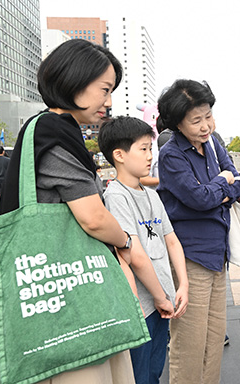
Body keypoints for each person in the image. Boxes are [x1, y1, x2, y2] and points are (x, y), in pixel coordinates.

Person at [0, 38, 137, 383]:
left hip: (61, 291)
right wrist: (125, 242)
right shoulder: (55, 131)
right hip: (71, 302)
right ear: (74, 80)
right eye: (104, 90)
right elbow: (92, 217)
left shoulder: (43, 128)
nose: (108, 102)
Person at [155, 79, 240, 383]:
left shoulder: (214, 144)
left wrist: (220, 186)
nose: (206, 125)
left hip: (217, 252)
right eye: (197, 120)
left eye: (208, 116)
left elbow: (238, 182)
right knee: (189, 343)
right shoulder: (171, 154)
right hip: (190, 256)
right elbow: (199, 198)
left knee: (214, 336)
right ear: (178, 122)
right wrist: (223, 184)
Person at [99, 116, 191, 384]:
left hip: (163, 299)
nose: (151, 156)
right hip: (143, 305)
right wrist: (161, 297)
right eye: (143, 149)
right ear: (119, 155)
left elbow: (171, 240)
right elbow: (133, 255)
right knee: (139, 375)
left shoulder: (151, 193)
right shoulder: (115, 196)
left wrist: (182, 285)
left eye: (151, 149)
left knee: (154, 371)